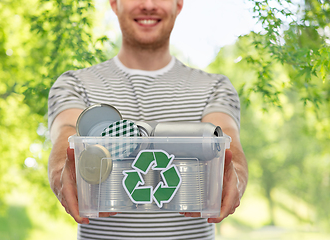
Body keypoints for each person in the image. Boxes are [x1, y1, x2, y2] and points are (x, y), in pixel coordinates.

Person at [48, 0, 248, 239]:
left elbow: (225, 136)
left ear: (179, 4)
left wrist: (235, 174)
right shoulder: (74, 84)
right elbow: (66, 132)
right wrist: (60, 170)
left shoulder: (215, 87)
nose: (149, 4)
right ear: (114, 3)